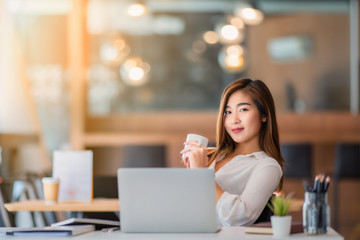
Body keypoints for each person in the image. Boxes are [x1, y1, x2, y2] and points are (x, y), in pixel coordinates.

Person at [180, 78, 284, 226]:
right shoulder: (213, 156)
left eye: (243, 110)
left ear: (264, 115)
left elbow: (239, 217)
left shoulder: (268, 166)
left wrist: (202, 174)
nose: (233, 120)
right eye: (228, 112)